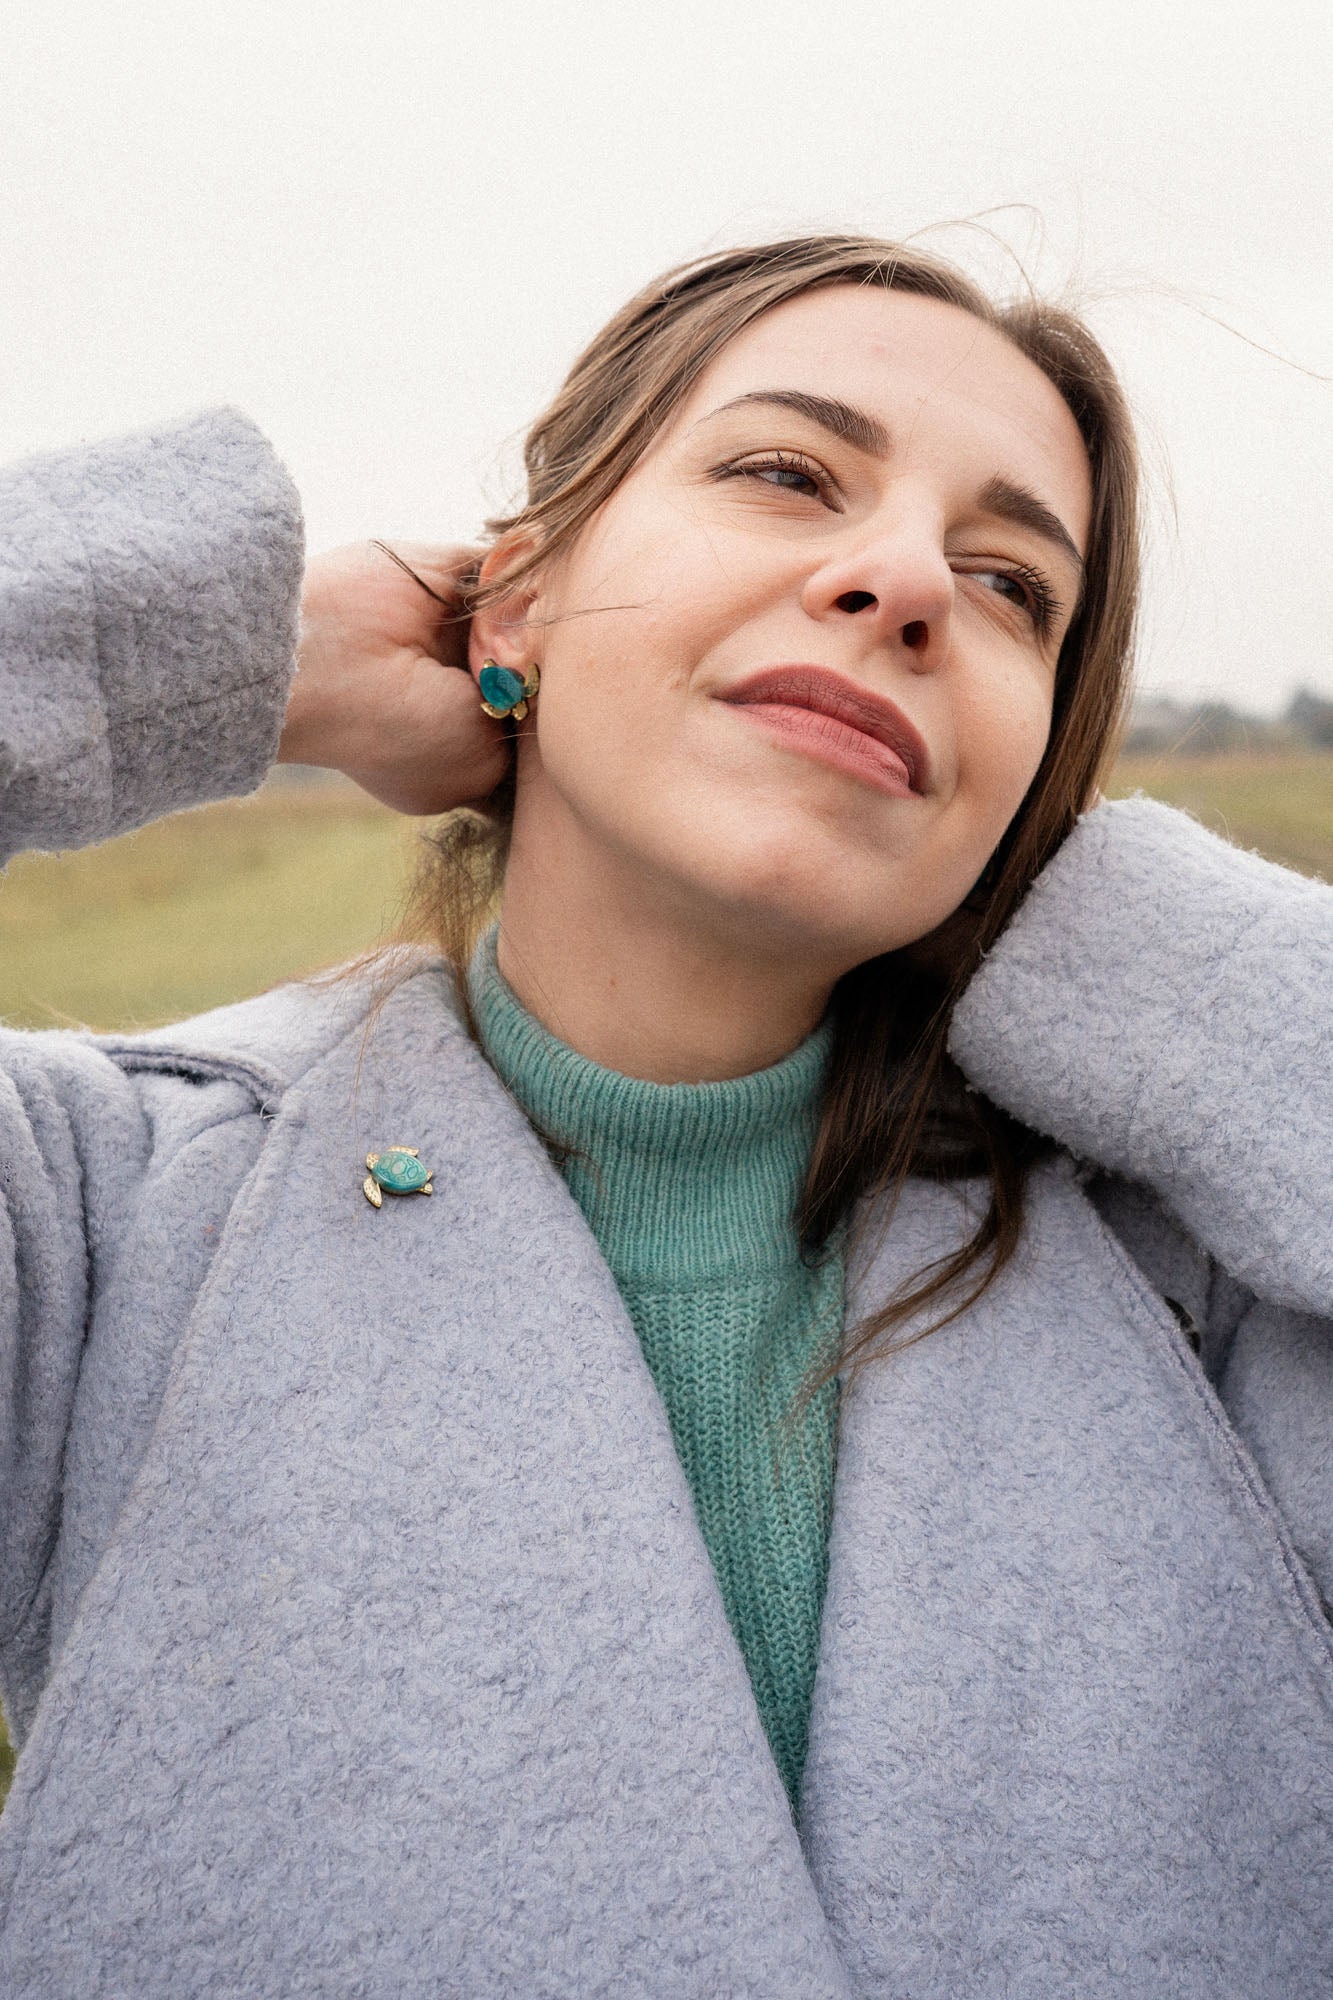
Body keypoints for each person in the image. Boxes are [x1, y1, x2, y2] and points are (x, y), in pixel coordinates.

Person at [0, 234, 1328, 1999]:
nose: (904, 583)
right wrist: (235, 655)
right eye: (787, 474)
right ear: (515, 600)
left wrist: (1108, 944)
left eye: (1011, 585)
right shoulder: (96, 1219)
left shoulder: (1206, 1287)